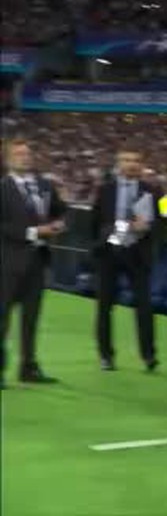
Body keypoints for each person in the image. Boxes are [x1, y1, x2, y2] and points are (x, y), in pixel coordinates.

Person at [1, 139, 67, 388]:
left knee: (31, 318)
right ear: (8, 159)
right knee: (2, 318)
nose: (24, 158)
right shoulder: (3, 188)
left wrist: (59, 222)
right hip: (7, 263)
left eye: (27, 153)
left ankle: (28, 367)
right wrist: (34, 232)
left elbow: (61, 210)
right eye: (18, 154)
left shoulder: (44, 185)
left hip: (37, 262)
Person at [90, 146, 158, 372]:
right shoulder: (105, 190)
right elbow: (95, 221)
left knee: (144, 307)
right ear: (119, 164)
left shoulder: (151, 191)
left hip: (137, 253)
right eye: (127, 160)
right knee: (104, 307)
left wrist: (147, 227)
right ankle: (106, 355)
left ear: (142, 164)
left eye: (136, 160)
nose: (131, 164)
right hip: (109, 253)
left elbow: (160, 223)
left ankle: (149, 355)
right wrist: (102, 242)